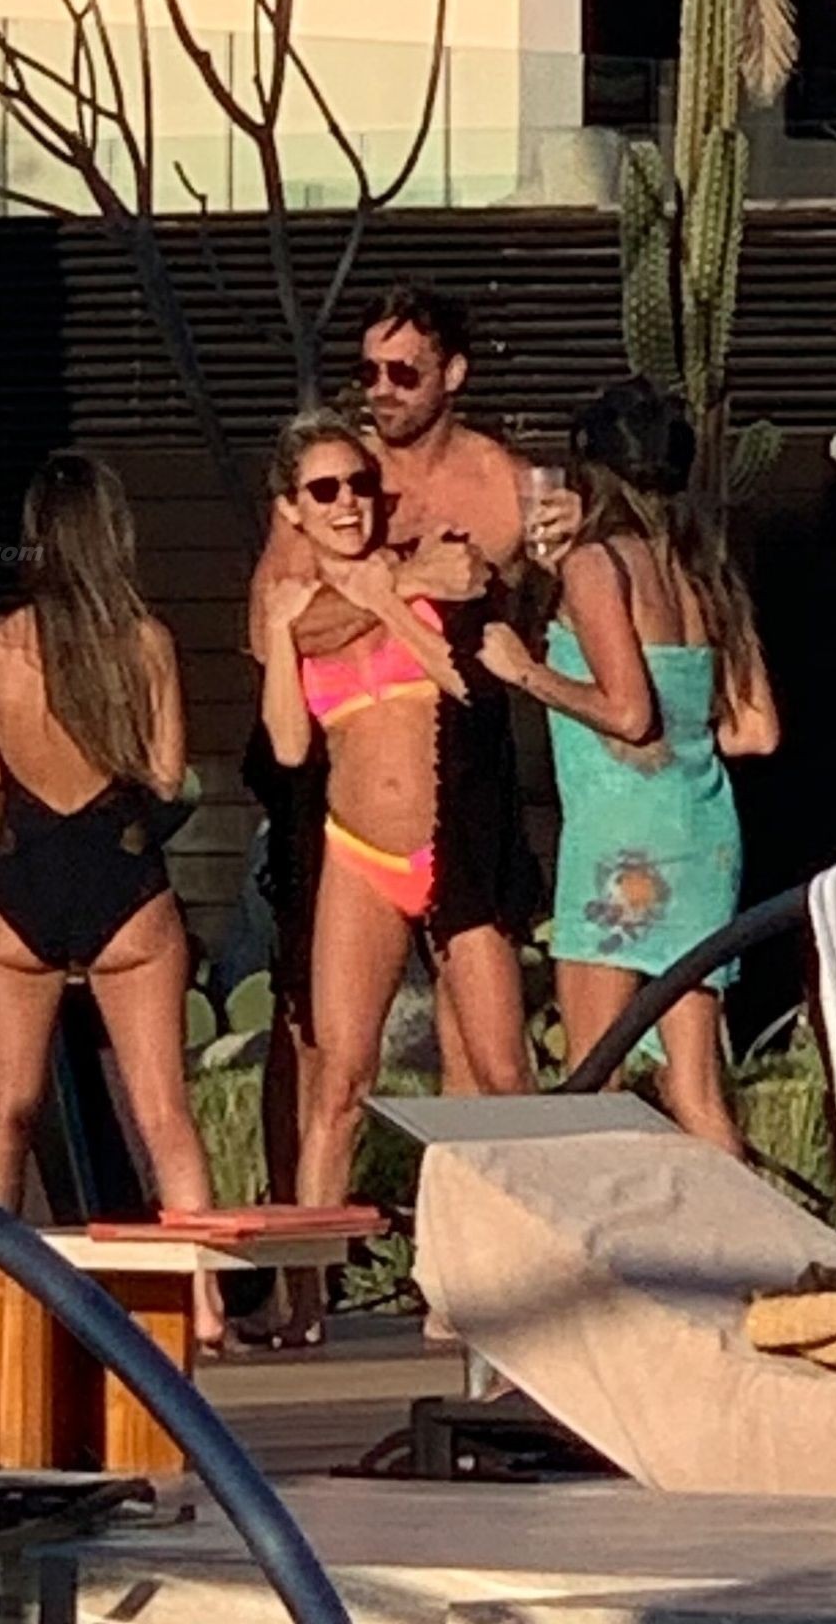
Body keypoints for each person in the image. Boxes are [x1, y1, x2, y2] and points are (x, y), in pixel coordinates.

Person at [247, 283, 577, 1105]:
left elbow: (535, 625)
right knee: (323, 1051)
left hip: (465, 784)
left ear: (452, 374)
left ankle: (483, 1192)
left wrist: (579, 533)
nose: (381, 390)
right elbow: (273, 630)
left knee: (488, 1065)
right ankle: (297, 1187)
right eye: (369, 371)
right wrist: (403, 581)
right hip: (342, 792)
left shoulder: (501, 485)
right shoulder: (337, 478)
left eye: (403, 372)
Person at [0, 451, 223, 1347]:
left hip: (23, 879)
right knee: (163, 1112)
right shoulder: (144, 643)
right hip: (122, 878)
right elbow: (168, 775)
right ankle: (205, 1309)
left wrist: (27, 751)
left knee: (5, 1112)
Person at [478, 378, 780, 1157]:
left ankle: (612, 1234)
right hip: (704, 834)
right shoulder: (702, 570)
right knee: (695, 1090)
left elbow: (628, 712)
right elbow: (754, 732)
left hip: (620, 840)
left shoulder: (598, 564)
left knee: (593, 1083)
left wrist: (528, 672)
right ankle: (744, 1232)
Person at [260, 411, 473, 1230]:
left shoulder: (422, 564)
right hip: (359, 854)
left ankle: (467, 1273)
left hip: (448, 846)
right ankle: (308, 1284)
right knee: (339, 1084)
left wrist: (393, 591)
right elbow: (288, 745)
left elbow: (467, 681)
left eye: (359, 484)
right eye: (324, 490)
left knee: (481, 1076)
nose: (347, 503)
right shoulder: (295, 609)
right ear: (292, 509)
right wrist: (280, 632)